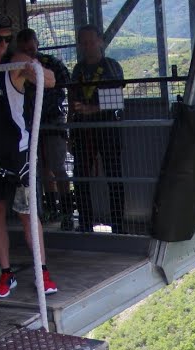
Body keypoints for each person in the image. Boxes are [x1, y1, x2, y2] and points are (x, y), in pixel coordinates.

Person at [0, 13, 59, 299]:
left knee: (27, 213)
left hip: (16, 153)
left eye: (7, 38)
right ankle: (6, 273)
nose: (3, 44)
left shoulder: (14, 64)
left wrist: (34, 69)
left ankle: (42, 271)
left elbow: (49, 81)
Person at [15, 28, 75, 230]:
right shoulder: (16, 67)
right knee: (41, 168)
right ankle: (51, 208)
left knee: (58, 166)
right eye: (25, 50)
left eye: (31, 48)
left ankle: (67, 211)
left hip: (52, 121)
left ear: (37, 44)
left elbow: (66, 84)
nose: (29, 53)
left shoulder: (51, 64)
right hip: (29, 125)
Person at [69, 24, 126, 233]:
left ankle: (118, 225)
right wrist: (70, 126)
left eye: (90, 41)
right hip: (82, 131)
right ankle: (85, 224)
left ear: (100, 41)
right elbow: (72, 96)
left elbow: (116, 100)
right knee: (81, 177)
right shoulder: (78, 69)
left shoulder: (111, 66)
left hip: (107, 129)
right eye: (83, 42)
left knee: (114, 176)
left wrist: (90, 109)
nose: (87, 46)